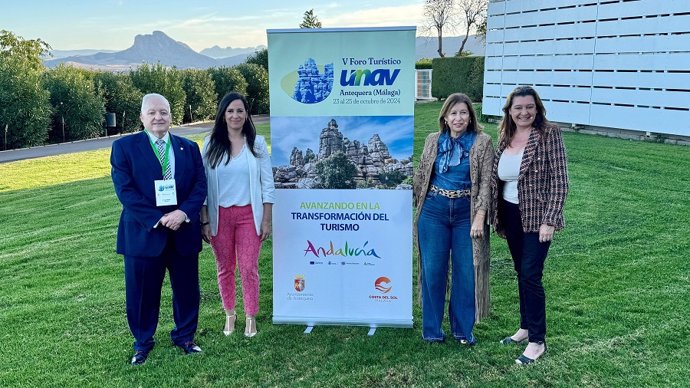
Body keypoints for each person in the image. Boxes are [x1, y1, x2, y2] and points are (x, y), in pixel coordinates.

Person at [111, 93, 207, 366]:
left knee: (187, 290)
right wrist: (158, 218)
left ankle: (185, 337)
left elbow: (199, 186)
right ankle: (142, 342)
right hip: (144, 233)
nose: (158, 117)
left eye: (163, 112)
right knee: (141, 293)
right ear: (142, 117)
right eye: (152, 112)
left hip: (183, 231)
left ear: (170, 116)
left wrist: (182, 213)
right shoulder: (124, 147)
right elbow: (125, 191)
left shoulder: (188, 148)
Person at [491, 85, 569, 364]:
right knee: (520, 272)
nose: (524, 112)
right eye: (518, 108)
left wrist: (550, 220)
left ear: (537, 109)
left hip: (538, 217)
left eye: (529, 107)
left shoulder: (549, 134)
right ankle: (525, 328)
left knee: (531, 274)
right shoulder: (505, 136)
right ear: (509, 111)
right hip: (510, 214)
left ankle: (537, 340)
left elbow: (560, 181)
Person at [413, 93, 494, 344]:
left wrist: (480, 217)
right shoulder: (432, 140)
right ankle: (432, 331)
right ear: (445, 117)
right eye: (453, 113)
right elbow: (422, 173)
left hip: (466, 213)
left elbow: (485, 184)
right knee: (433, 271)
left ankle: (462, 330)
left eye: (463, 113)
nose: (458, 118)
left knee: (466, 271)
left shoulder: (482, 142)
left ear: (470, 116)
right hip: (433, 210)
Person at [200, 92, 275, 338]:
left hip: (248, 216)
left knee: (248, 267)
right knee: (225, 267)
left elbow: (267, 184)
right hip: (219, 216)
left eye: (240, 111)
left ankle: (251, 316)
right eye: (230, 110)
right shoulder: (210, 145)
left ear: (246, 115)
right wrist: (204, 219)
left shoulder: (257, 144)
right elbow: (201, 186)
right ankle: (230, 314)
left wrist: (266, 218)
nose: (235, 115)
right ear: (223, 114)